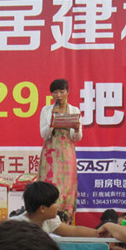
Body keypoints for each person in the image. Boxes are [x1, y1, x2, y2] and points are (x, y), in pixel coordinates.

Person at [36, 78, 82, 224]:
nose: (58, 95)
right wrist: (52, 121)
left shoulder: (74, 110)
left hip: (67, 153)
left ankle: (65, 221)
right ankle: (46, 221)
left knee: (66, 187)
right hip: (51, 154)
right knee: (50, 185)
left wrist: (76, 129)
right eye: (55, 92)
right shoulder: (46, 110)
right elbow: (44, 134)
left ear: (67, 92)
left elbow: (77, 137)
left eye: (62, 91)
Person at [13, 181, 97, 237]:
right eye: (54, 202)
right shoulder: (17, 227)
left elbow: (74, 231)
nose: (57, 206)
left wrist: (98, 233)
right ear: (42, 209)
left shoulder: (47, 220)